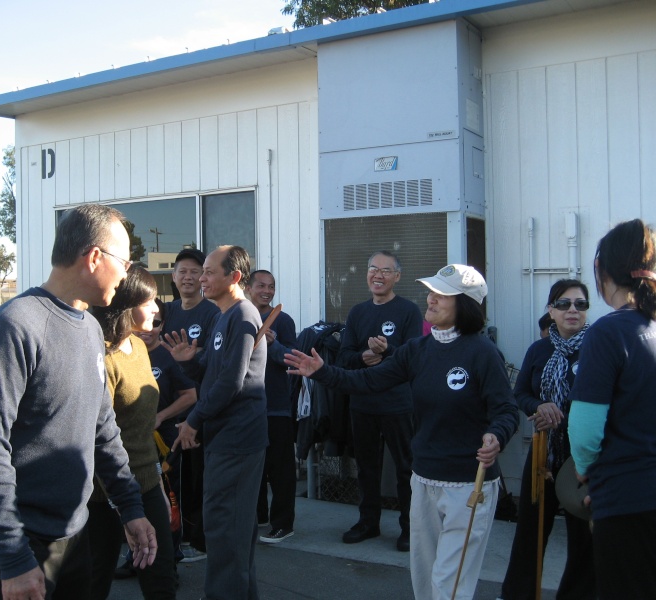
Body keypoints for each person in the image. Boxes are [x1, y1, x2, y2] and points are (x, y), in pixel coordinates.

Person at [0, 204, 156, 600]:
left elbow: (103, 429)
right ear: (95, 257)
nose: (128, 272)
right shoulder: (15, 327)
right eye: (125, 260)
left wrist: (130, 507)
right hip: (17, 540)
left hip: (72, 531)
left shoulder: (88, 330)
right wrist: (13, 557)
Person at [285, 264, 518, 600]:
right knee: (424, 577)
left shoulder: (483, 353)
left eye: (442, 295)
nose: (431, 299)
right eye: (432, 292)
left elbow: (506, 409)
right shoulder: (418, 350)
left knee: (450, 581)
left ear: (465, 304)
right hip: (424, 479)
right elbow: (366, 381)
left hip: (469, 484)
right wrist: (322, 372)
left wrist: (497, 435)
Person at [164, 245, 267, 600]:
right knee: (233, 530)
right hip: (226, 438)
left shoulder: (241, 315)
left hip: (237, 439)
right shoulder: (225, 315)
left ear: (234, 277)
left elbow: (231, 382)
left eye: (208, 272)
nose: (200, 279)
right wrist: (189, 362)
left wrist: (192, 420)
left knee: (226, 530)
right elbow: (213, 371)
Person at [568, 218, 656, 600]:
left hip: (627, 501)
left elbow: (585, 431)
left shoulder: (608, 331)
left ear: (602, 272)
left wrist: (589, 477)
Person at [500, 279, 595, 600]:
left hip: (583, 457)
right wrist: (538, 406)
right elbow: (521, 393)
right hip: (543, 453)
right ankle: (518, 594)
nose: (572, 310)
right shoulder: (539, 350)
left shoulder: (598, 346)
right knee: (530, 532)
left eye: (580, 304)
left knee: (583, 537)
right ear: (551, 310)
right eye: (564, 304)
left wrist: (563, 413)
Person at [89, 266, 177, 599]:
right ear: (127, 305)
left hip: (148, 480)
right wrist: (121, 506)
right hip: (104, 493)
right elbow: (97, 435)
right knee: (95, 578)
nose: (157, 308)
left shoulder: (139, 347)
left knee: (160, 576)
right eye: (149, 300)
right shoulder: (101, 356)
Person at [336, 251, 421, 551]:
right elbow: (344, 357)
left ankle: (409, 528)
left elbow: (416, 358)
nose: (379, 275)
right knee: (366, 468)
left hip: (398, 403)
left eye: (386, 270)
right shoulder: (358, 313)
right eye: (373, 269)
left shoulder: (409, 311)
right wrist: (363, 356)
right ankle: (368, 522)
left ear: (397, 276)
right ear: (367, 274)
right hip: (364, 403)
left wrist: (388, 350)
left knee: (405, 468)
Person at [162, 247, 220, 562]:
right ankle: (176, 536)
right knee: (172, 479)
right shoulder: (167, 312)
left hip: (198, 412)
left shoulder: (212, 313)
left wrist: (191, 356)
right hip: (166, 413)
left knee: (197, 480)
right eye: (182, 271)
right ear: (173, 276)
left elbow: (213, 361)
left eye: (195, 271)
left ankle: (196, 539)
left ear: (203, 277)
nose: (188, 277)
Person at [130, 297, 197, 569]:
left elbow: (191, 395)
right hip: (132, 442)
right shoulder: (126, 353)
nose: (149, 329)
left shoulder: (168, 357)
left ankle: (170, 556)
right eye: (143, 322)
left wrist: (161, 415)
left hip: (164, 441)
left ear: (163, 325)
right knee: (133, 498)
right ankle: (135, 557)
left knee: (166, 499)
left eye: (156, 324)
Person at [246, 269, 299, 543]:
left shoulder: (283, 320)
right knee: (254, 467)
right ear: (248, 287)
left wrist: (273, 344)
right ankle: (259, 516)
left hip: (276, 406)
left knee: (281, 470)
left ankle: (283, 523)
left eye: (272, 287)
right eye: (261, 286)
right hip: (247, 407)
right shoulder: (241, 317)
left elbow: (293, 359)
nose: (267, 291)